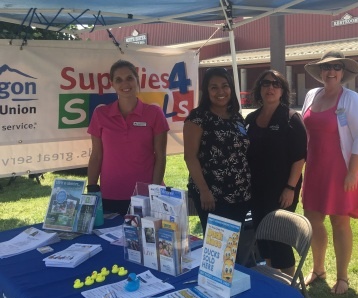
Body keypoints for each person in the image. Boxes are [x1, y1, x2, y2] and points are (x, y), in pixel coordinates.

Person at [302, 50, 358, 295]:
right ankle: (319, 269)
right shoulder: (311, 94)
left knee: (339, 222)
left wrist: (353, 172)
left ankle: (343, 277)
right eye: (326, 68)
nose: (331, 72)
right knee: (312, 219)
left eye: (336, 68)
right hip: (315, 169)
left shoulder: (351, 99)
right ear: (320, 72)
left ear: (343, 73)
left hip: (342, 169)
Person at [87, 60, 169, 216]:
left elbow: (160, 156)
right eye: (118, 79)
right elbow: (96, 156)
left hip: (145, 196)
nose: (125, 83)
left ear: (137, 80)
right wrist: (91, 190)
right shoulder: (101, 114)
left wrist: (155, 190)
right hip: (110, 194)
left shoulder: (154, 113)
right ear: (112, 84)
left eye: (129, 78)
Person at [246, 70, 307, 277]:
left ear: (282, 90)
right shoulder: (251, 119)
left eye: (275, 84)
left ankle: (290, 283)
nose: (270, 88)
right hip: (256, 190)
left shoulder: (291, 119)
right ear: (259, 89)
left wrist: (290, 188)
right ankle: (274, 278)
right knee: (263, 236)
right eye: (265, 84)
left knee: (279, 239)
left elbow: (299, 158)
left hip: (282, 190)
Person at [184, 67, 251, 238]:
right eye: (214, 87)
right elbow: (190, 157)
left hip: (240, 194)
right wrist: (204, 191)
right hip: (212, 196)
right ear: (206, 91)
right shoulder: (197, 118)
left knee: (233, 245)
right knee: (218, 246)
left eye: (225, 86)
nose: (220, 91)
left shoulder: (236, 117)